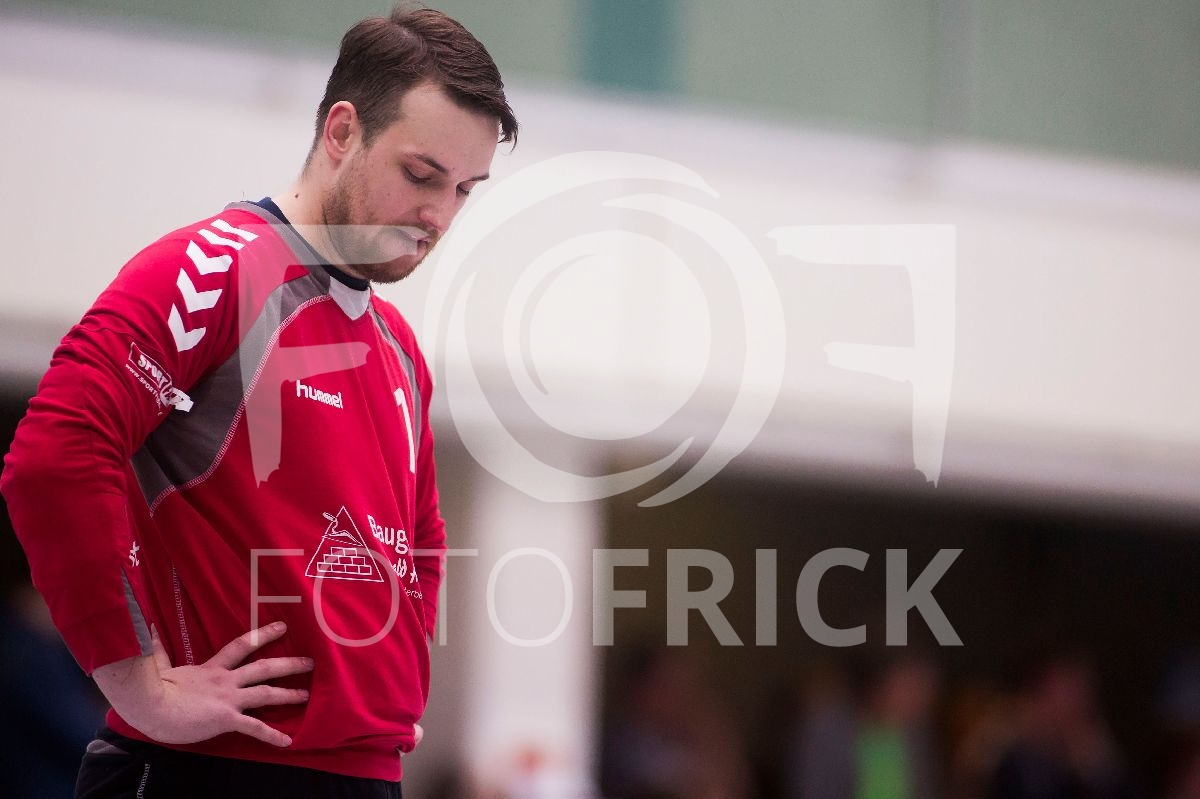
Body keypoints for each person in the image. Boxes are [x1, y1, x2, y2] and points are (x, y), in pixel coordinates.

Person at [0, 5, 517, 797]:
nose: (439, 216)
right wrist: (138, 683)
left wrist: (389, 681)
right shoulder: (215, 270)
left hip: (363, 775)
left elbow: (420, 541)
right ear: (342, 132)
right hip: (210, 768)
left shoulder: (400, 351)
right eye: (421, 175)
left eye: (464, 190)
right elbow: (56, 450)